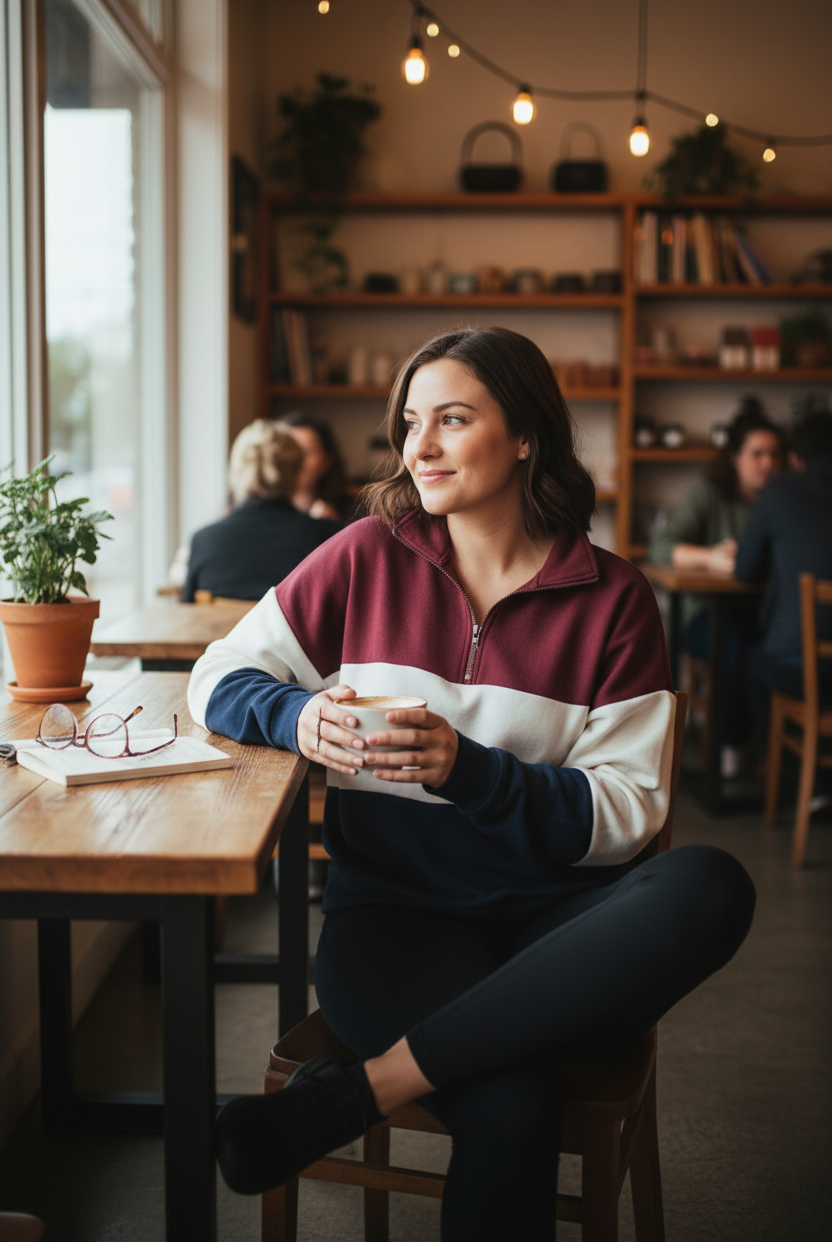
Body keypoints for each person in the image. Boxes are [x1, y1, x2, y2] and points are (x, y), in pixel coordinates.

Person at [188, 327, 755, 1240]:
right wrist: (297, 717)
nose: (421, 446)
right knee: (511, 1106)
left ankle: (355, 1093)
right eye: (411, 422)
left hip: (560, 928)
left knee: (711, 883)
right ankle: (388, 1080)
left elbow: (626, 812)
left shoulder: (614, 600)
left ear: (525, 434)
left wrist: (472, 773)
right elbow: (217, 676)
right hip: (395, 922)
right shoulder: (365, 557)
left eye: (452, 419)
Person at [649, 400, 784, 772]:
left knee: (775, 650)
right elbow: (661, 548)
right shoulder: (708, 493)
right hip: (704, 613)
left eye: (775, 454)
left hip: (762, 612)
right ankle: (731, 745)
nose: (768, 463)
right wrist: (710, 557)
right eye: (757, 454)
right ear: (735, 457)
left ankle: (774, 754)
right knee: (734, 649)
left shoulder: (784, 498)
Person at [735, 410, 832, 718]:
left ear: (795, 459)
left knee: (750, 661)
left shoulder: (779, 492)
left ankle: (776, 751)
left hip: (799, 666)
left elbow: (745, 571)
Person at [181, 419, 339, 603]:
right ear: (298, 473)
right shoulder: (325, 538)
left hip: (223, 624)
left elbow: (188, 610)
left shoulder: (203, 541)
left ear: (236, 472)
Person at [279, 412, 353, 522]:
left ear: (327, 460)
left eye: (308, 451)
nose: (298, 459)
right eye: (290, 451)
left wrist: (331, 526)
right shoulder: (262, 512)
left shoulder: (353, 512)